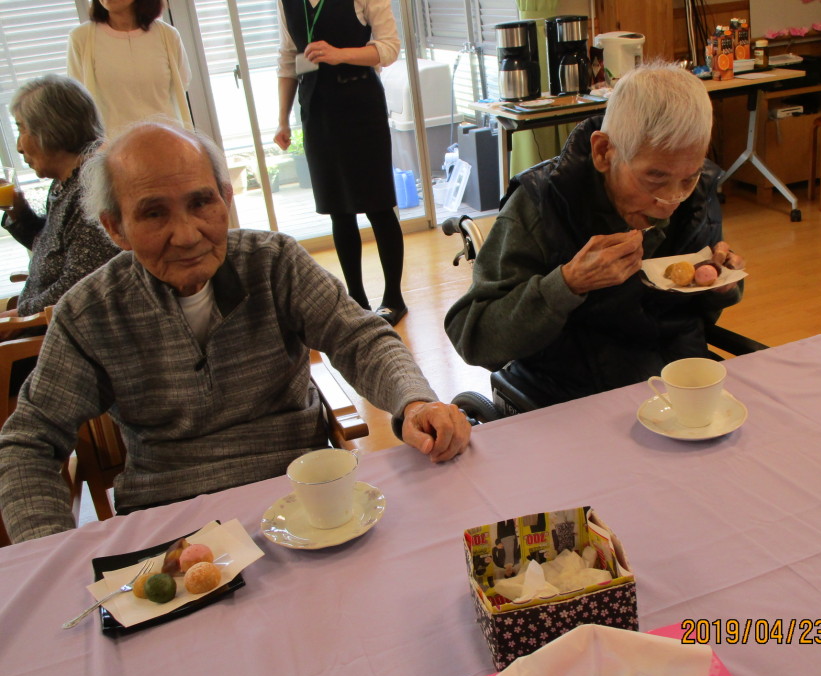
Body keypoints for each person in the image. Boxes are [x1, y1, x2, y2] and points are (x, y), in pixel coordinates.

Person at [0, 122, 470, 544]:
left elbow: (360, 339)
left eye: (201, 202)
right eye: (154, 213)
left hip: (297, 500)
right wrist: (48, 552)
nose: (187, 234)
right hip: (169, 519)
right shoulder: (89, 312)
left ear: (225, 198)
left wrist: (414, 402)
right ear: (115, 228)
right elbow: (28, 441)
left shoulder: (273, 263)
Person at [445, 62, 746, 408]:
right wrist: (567, 284)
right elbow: (475, 340)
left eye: (688, 178)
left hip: (678, 385)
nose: (670, 202)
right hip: (573, 396)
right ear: (604, 152)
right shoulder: (540, 205)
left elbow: (696, 316)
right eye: (655, 178)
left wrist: (721, 284)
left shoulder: (696, 196)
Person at [273, 0, 408, 326]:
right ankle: (356, 300)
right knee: (339, 209)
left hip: (361, 105)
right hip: (317, 109)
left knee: (378, 204)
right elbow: (288, 59)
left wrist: (340, 54)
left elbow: (389, 48)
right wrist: (282, 120)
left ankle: (394, 298)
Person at [0, 75, 119, 340]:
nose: (19, 147)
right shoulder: (65, 183)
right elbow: (53, 250)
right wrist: (18, 211)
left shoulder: (91, 193)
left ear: (50, 130)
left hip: (56, 342)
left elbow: (77, 289)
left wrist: (16, 316)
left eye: (21, 129)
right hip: (41, 326)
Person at [67, 0, 192, 139]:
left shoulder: (168, 35)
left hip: (166, 140)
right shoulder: (81, 38)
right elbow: (78, 99)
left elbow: (182, 83)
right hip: (113, 145)